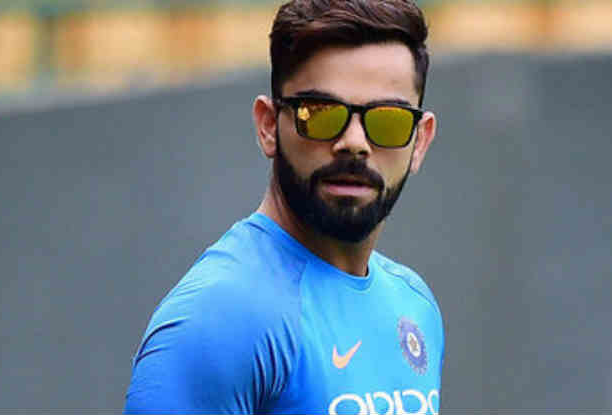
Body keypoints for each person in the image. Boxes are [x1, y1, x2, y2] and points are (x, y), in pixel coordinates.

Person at [124, 0, 443, 413]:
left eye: (388, 120)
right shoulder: (216, 320)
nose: (354, 142)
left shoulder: (414, 304)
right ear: (268, 125)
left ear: (420, 141)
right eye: (321, 113)